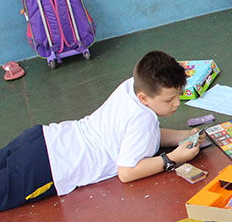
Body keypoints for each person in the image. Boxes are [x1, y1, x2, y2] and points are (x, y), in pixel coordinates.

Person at [0, 50, 201, 212]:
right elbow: (127, 172)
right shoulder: (144, 119)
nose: (176, 103)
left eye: (178, 95)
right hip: (46, 168)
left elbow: (141, 135)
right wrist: (172, 158)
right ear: (144, 98)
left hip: (42, 138)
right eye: (169, 99)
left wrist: (184, 136)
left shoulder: (131, 87)